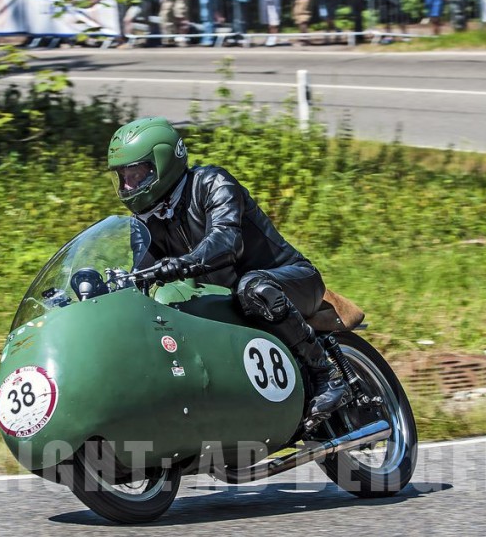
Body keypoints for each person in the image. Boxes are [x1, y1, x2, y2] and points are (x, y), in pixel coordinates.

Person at [107, 118, 351, 424]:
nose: (128, 186)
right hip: (230, 299)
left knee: (252, 287)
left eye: (137, 174)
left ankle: (326, 376)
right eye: (122, 177)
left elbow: (225, 242)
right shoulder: (148, 220)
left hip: (291, 280)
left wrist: (181, 263)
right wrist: (114, 294)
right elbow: (141, 273)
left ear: (164, 162)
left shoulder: (211, 183)